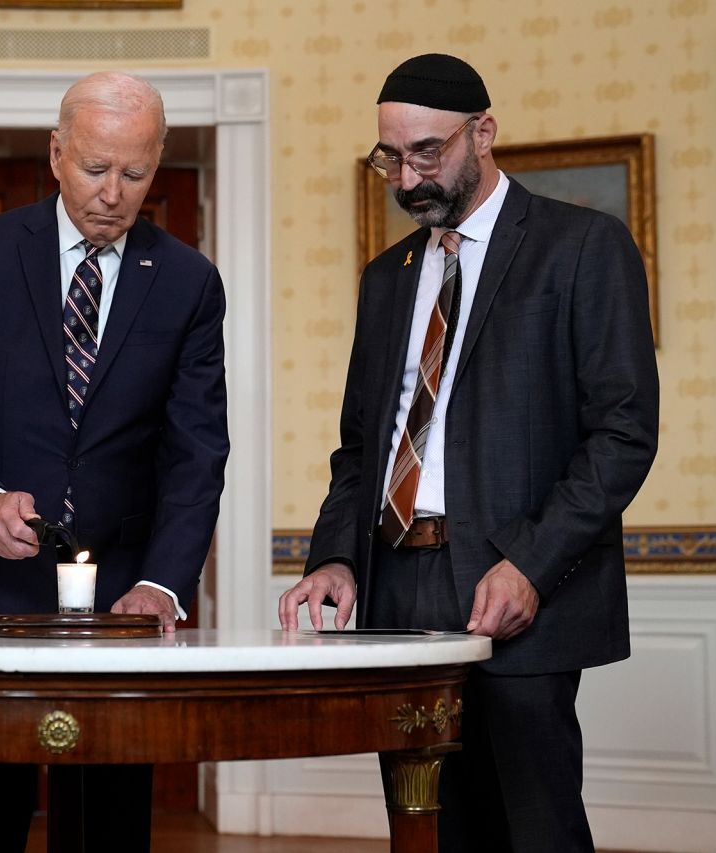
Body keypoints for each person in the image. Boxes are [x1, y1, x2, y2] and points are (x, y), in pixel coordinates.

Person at [278, 54, 658, 852]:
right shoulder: (388, 278)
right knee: (427, 829)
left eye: (427, 152)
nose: (408, 176)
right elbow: (362, 450)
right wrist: (335, 558)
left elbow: (623, 433)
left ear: (483, 134)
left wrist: (530, 564)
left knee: (535, 828)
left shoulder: (582, 245)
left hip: (520, 593)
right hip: (398, 598)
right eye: (391, 157)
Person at [0, 71, 229, 851]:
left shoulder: (188, 281)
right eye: (95, 168)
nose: (114, 192)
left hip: (122, 604)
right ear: (56, 154)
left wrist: (162, 583)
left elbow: (196, 451)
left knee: (109, 826)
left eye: (135, 173)